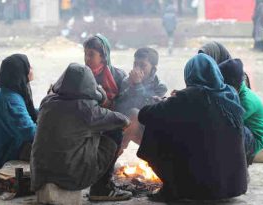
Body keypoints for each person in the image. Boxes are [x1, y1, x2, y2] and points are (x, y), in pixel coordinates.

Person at [137, 53, 248, 201]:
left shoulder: (188, 96)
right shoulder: (230, 93)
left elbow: (144, 115)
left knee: (154, 128)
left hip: (198, 190)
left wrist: (161, 104)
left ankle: (171, 188)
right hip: (235, 186)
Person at [30, 63, 130, 193]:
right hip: (69, 177)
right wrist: (100, 96)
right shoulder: (87, 110)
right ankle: (102, 189)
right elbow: (124, 121)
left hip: (39, 174)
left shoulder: (48, 102)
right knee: (115, 131)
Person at [83, 34, 132, 201]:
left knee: (118, 130)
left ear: (103, 56)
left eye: (91, 54)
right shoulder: (82, 76)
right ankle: (101, 186)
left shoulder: (118, 75)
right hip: (89, 123)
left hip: (110, 120)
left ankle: (104, 180)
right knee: (114, 134)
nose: (86, 58)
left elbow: (124, 103)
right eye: (85, 54)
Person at [0, 54, 37, 180]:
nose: (31, 68)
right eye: (28, 66)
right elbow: (31, 133)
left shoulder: (9, 93)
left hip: (7, 149)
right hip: (3, 158)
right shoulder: (10, 100)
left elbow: (29, 113)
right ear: (20, 72)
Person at [219, 59, 263, 165]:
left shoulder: (246, 101)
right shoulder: (237, 92)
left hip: (256, 139)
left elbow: (230, 121)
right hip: (248, 130)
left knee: (228, 128)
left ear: (232, 86)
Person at [116, 47, 168, 149]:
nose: (138, 68)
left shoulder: (160, 86)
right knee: (133, 113)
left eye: (143, 65)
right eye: (135, 64)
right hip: (126, 125)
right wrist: (131, 87)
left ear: (153, 69)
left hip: (147, 128)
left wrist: (138, 85)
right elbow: (120, 106)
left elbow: (147, 108)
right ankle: (114, 155)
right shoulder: (127, 81)